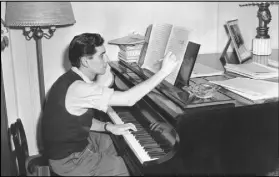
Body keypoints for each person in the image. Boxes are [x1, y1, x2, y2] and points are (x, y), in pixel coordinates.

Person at [41, 33, 178, 176]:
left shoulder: (69, 79)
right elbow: (129, 99)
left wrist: (108, 126)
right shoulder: (79, 88)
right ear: (85, 61)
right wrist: (163, 72)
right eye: (101, 55)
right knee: (132, 168)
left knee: (122, 146)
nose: (106, 60)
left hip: (77, 144)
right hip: (70, 161)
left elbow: (77, 120)